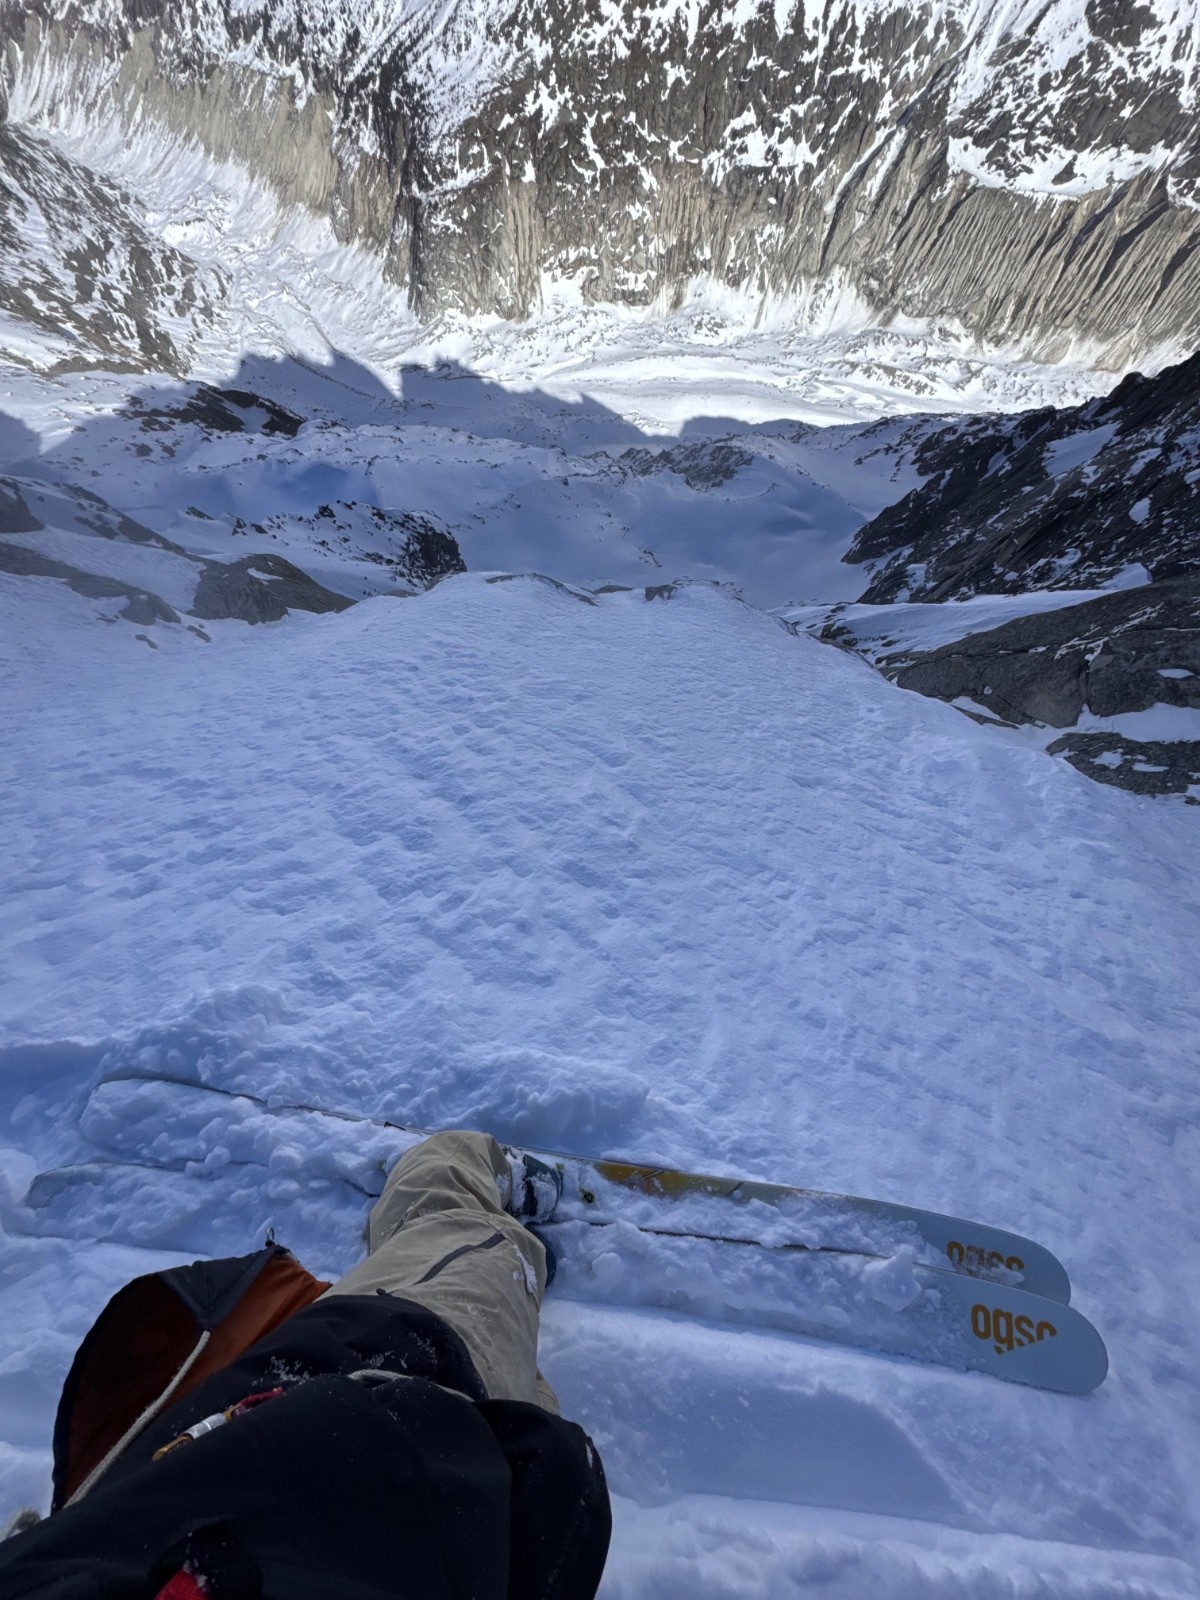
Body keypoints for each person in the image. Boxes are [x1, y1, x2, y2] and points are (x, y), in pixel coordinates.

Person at [0, 1130, 612, 1599]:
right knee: (448, 1202)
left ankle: (517, 1278)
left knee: (514, 1370)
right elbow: (561, 1475)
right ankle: (509, 1243)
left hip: (451, 1490)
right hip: (402, 1377)